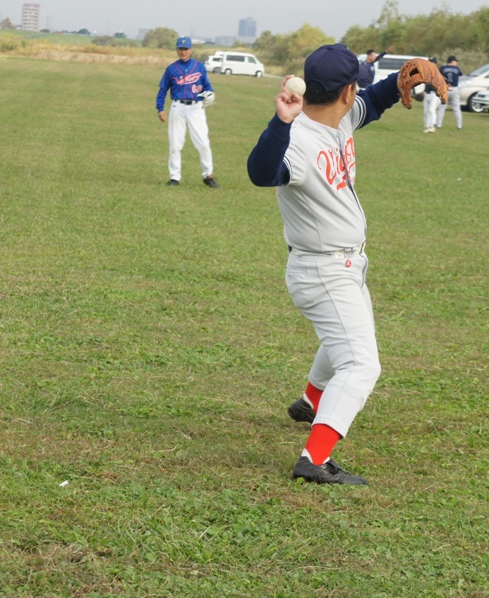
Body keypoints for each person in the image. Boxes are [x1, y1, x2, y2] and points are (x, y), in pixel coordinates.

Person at [246, 44, 410, 486]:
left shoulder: (339, 118)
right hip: (322, 269)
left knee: (348, 339)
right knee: (361, 364)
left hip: (344, 265)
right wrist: (280, 122)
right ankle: (313, 459)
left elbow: (372, 103)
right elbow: (262, 173)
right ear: (345, 89)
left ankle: (309, 401)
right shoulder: (297, 138)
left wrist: (400, 81)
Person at [155, 36, 219, 188]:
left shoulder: (199, 66)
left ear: (191, 50)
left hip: (196, 108)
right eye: (180, 49)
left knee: (203, 142)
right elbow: (163, 90)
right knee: (175, 143)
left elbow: (207, 87)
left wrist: (211, 93)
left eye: (186, 49)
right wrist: (160, 108)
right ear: (177, 50)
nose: (183, 52)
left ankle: (207, 175)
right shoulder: (171, 69)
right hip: (177, 107)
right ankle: (174, 177)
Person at [436, 55, 463, 130]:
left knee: (442, 108)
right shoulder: (457, 68)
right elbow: (459, 76)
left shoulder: (443, 68)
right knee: (456, 108)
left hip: (445, 88)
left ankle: (438, 125)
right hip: (454, 89)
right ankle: (459, 125)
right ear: (452, 61)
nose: (456, 63)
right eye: (455, 61)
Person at [422, 57, 441, 133]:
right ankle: (427, 126)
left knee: (431, 109)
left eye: (432, 62)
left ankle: (432, 126)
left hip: (434, 94)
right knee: (426, 111)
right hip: (427, 94)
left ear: (435, 64)